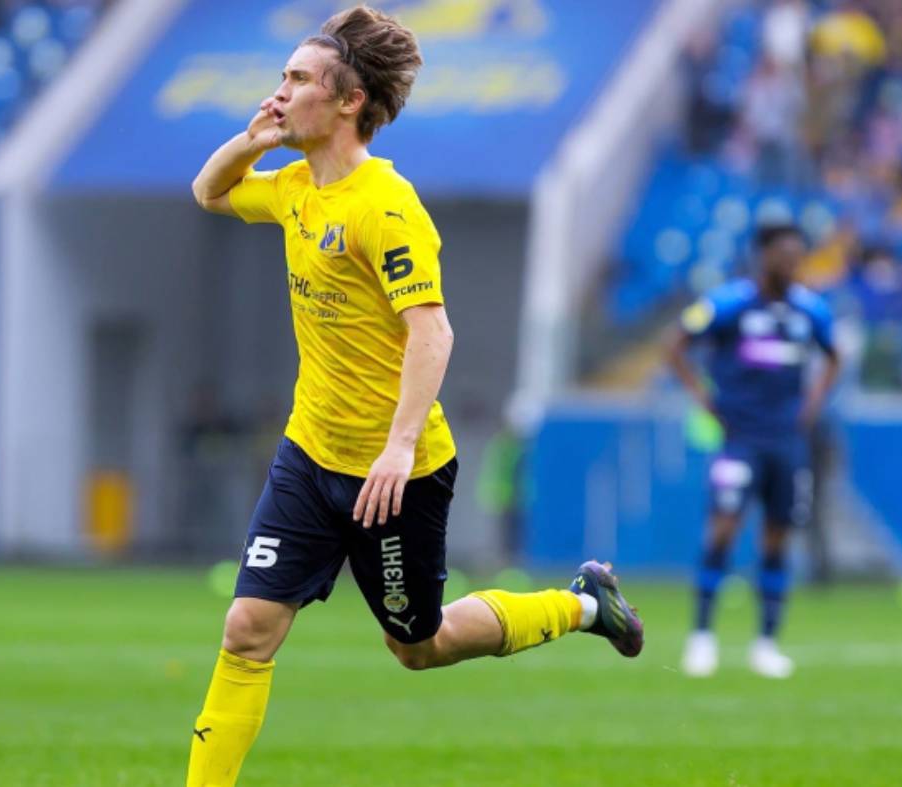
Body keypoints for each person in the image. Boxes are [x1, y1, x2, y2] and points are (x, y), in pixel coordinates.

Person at [185, 7, 643, 785]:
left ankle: (584, 604)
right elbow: (209, 191)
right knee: (247, 628)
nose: (280, 91)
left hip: (396, 474)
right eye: (283, 76)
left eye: (298, 79)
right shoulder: (294, 186)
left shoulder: (385, 207)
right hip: (310, 455)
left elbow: (433, 332)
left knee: (419, 645)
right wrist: (253, 141)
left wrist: (397, 447)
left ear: (349, 101)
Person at [666, 222, 840, 679]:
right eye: (783, 254)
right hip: (740, 439)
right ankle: (701, 638)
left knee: (778, 537)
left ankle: (766, 643)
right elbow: (676, 345)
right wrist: (705, 399)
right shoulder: (728, 303)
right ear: (763, 255)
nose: (791, 263)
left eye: (797, 255)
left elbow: (834, 356)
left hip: (787, 441)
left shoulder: (810, 309)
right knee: (723, 530)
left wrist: (813, 403)